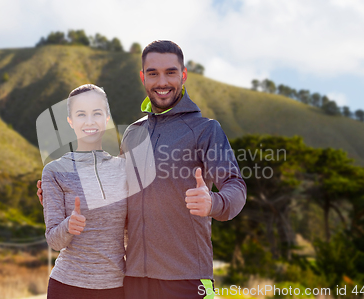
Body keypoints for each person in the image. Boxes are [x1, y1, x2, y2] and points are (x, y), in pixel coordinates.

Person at [38, 41, 247, 299]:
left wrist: (213, 202)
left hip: (186, 278)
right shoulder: (133, 134)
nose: (162, 81)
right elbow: (121, 200)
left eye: (171, 72)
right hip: (134, 279)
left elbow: (236, 186)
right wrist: (61, 198)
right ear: (143, 77)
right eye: (153, 73)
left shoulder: (205, 130)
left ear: (183, 75)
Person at [42, 84, 127, 299]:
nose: (89, 121)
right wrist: (68, 226)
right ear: (70, 121)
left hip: (116, 287)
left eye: (96, 113)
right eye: (81, 114)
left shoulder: (125, 169)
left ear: (107, 117)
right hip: (67, 287)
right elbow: (54, 240)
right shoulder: (54, 171)